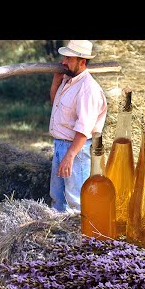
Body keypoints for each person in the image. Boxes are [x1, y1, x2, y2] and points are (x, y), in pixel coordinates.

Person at [48, 40, 108, 214]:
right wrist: (55, 83)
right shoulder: (68, 80)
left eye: (68, 58)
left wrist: (70, 155)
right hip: (61, 145)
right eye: (64, 57)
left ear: (82, 62)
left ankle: (79, 239)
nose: (63, 62)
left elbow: (84, 128)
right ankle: (58, 237)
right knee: (58, 198)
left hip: (76, 149)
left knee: (77, 200)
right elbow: (56, 106)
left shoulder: (88, 89)